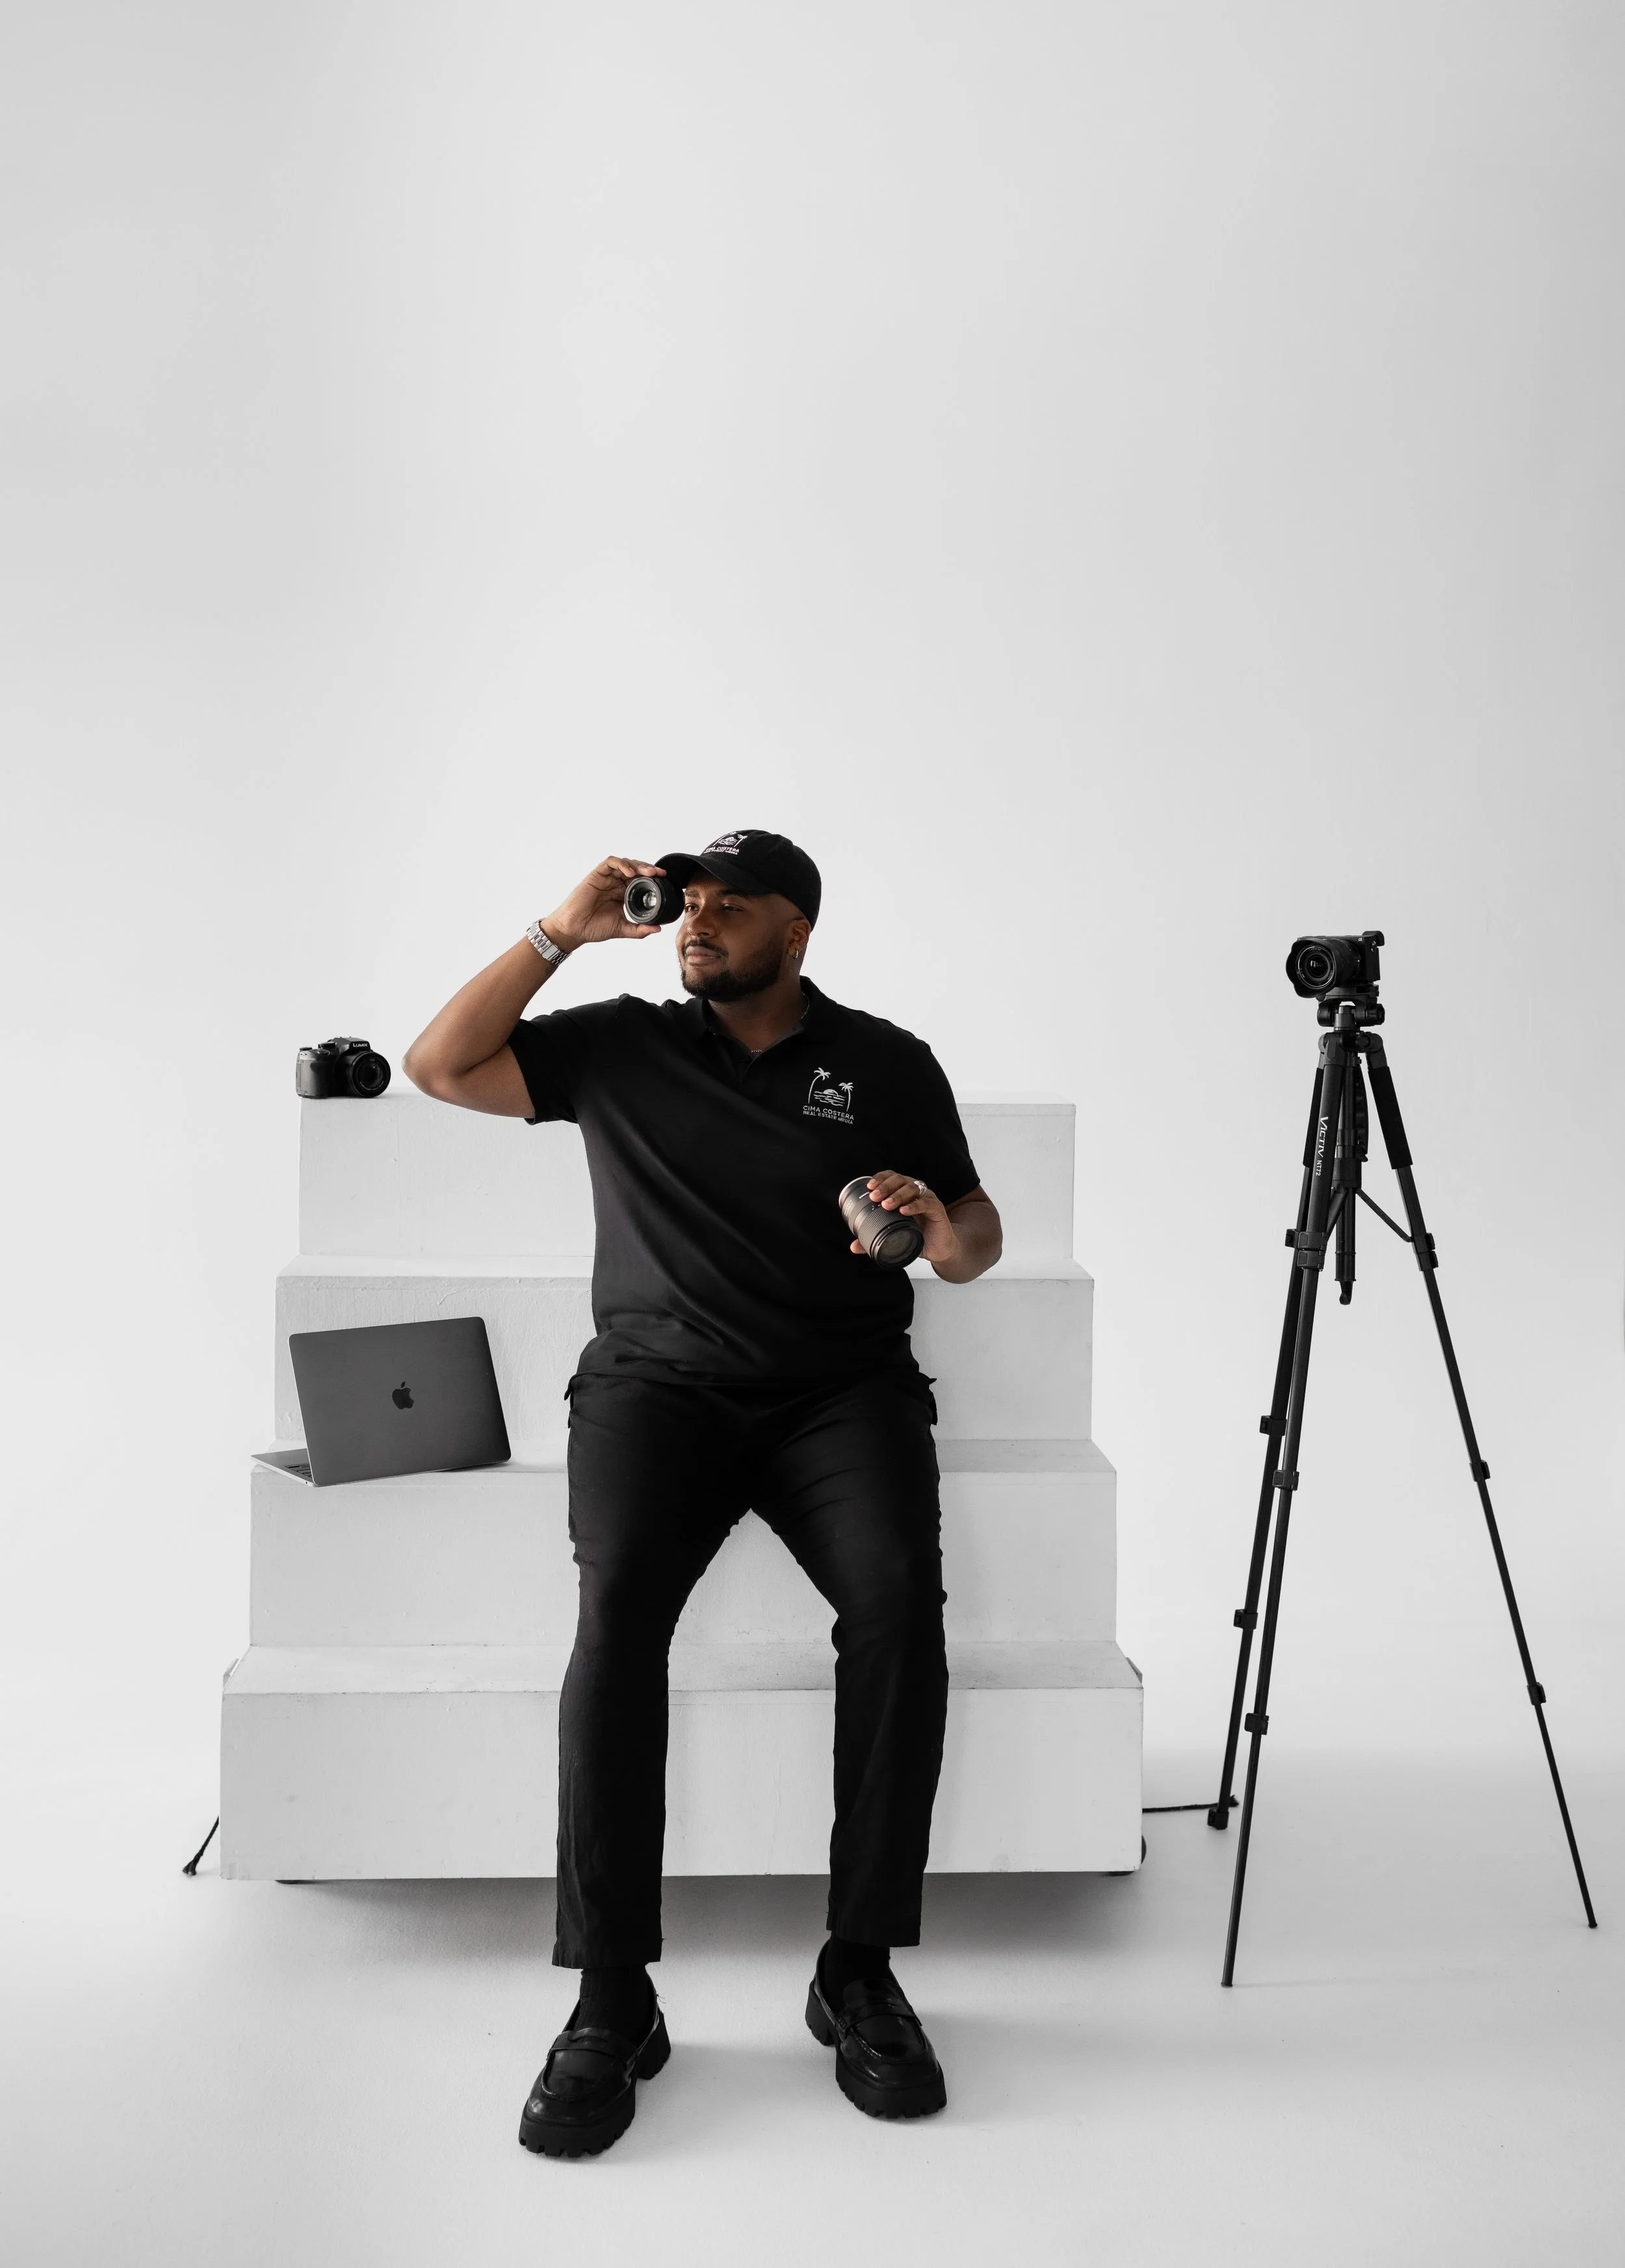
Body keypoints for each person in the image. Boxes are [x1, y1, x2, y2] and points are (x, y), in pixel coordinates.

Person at [403, 830, 1002, 2156]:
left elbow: (968, 1241)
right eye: (690, 902)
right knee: (615, 1623)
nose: (698, 921)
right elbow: (438, 1066)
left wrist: (927, 1215)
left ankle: (854, 1967)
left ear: (798, 927)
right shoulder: (616, 1039)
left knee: (899, 1606)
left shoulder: (885, 1061)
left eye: (734, 904)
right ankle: (611, 1996)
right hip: (654, 1390)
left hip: (838, 1392)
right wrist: (561, 930)